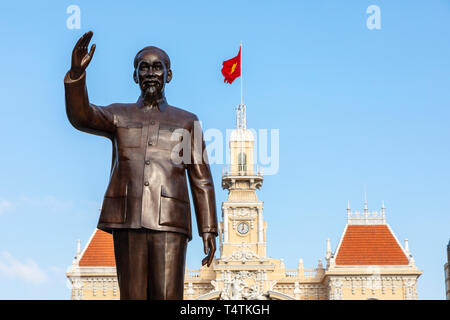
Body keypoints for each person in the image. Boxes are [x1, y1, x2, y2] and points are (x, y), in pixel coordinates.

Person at [64, 31, 218, 300]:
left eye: (157, 67)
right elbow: (81, 115)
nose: (150, 73)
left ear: (168, 75)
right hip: (128, 216)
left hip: (171, 220)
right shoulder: (118, 115)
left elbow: (201, 178)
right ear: (135, 76)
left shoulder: (186, 121)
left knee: (168, 295)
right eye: (143, 67)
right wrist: (77, 75)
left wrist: (209, 229)